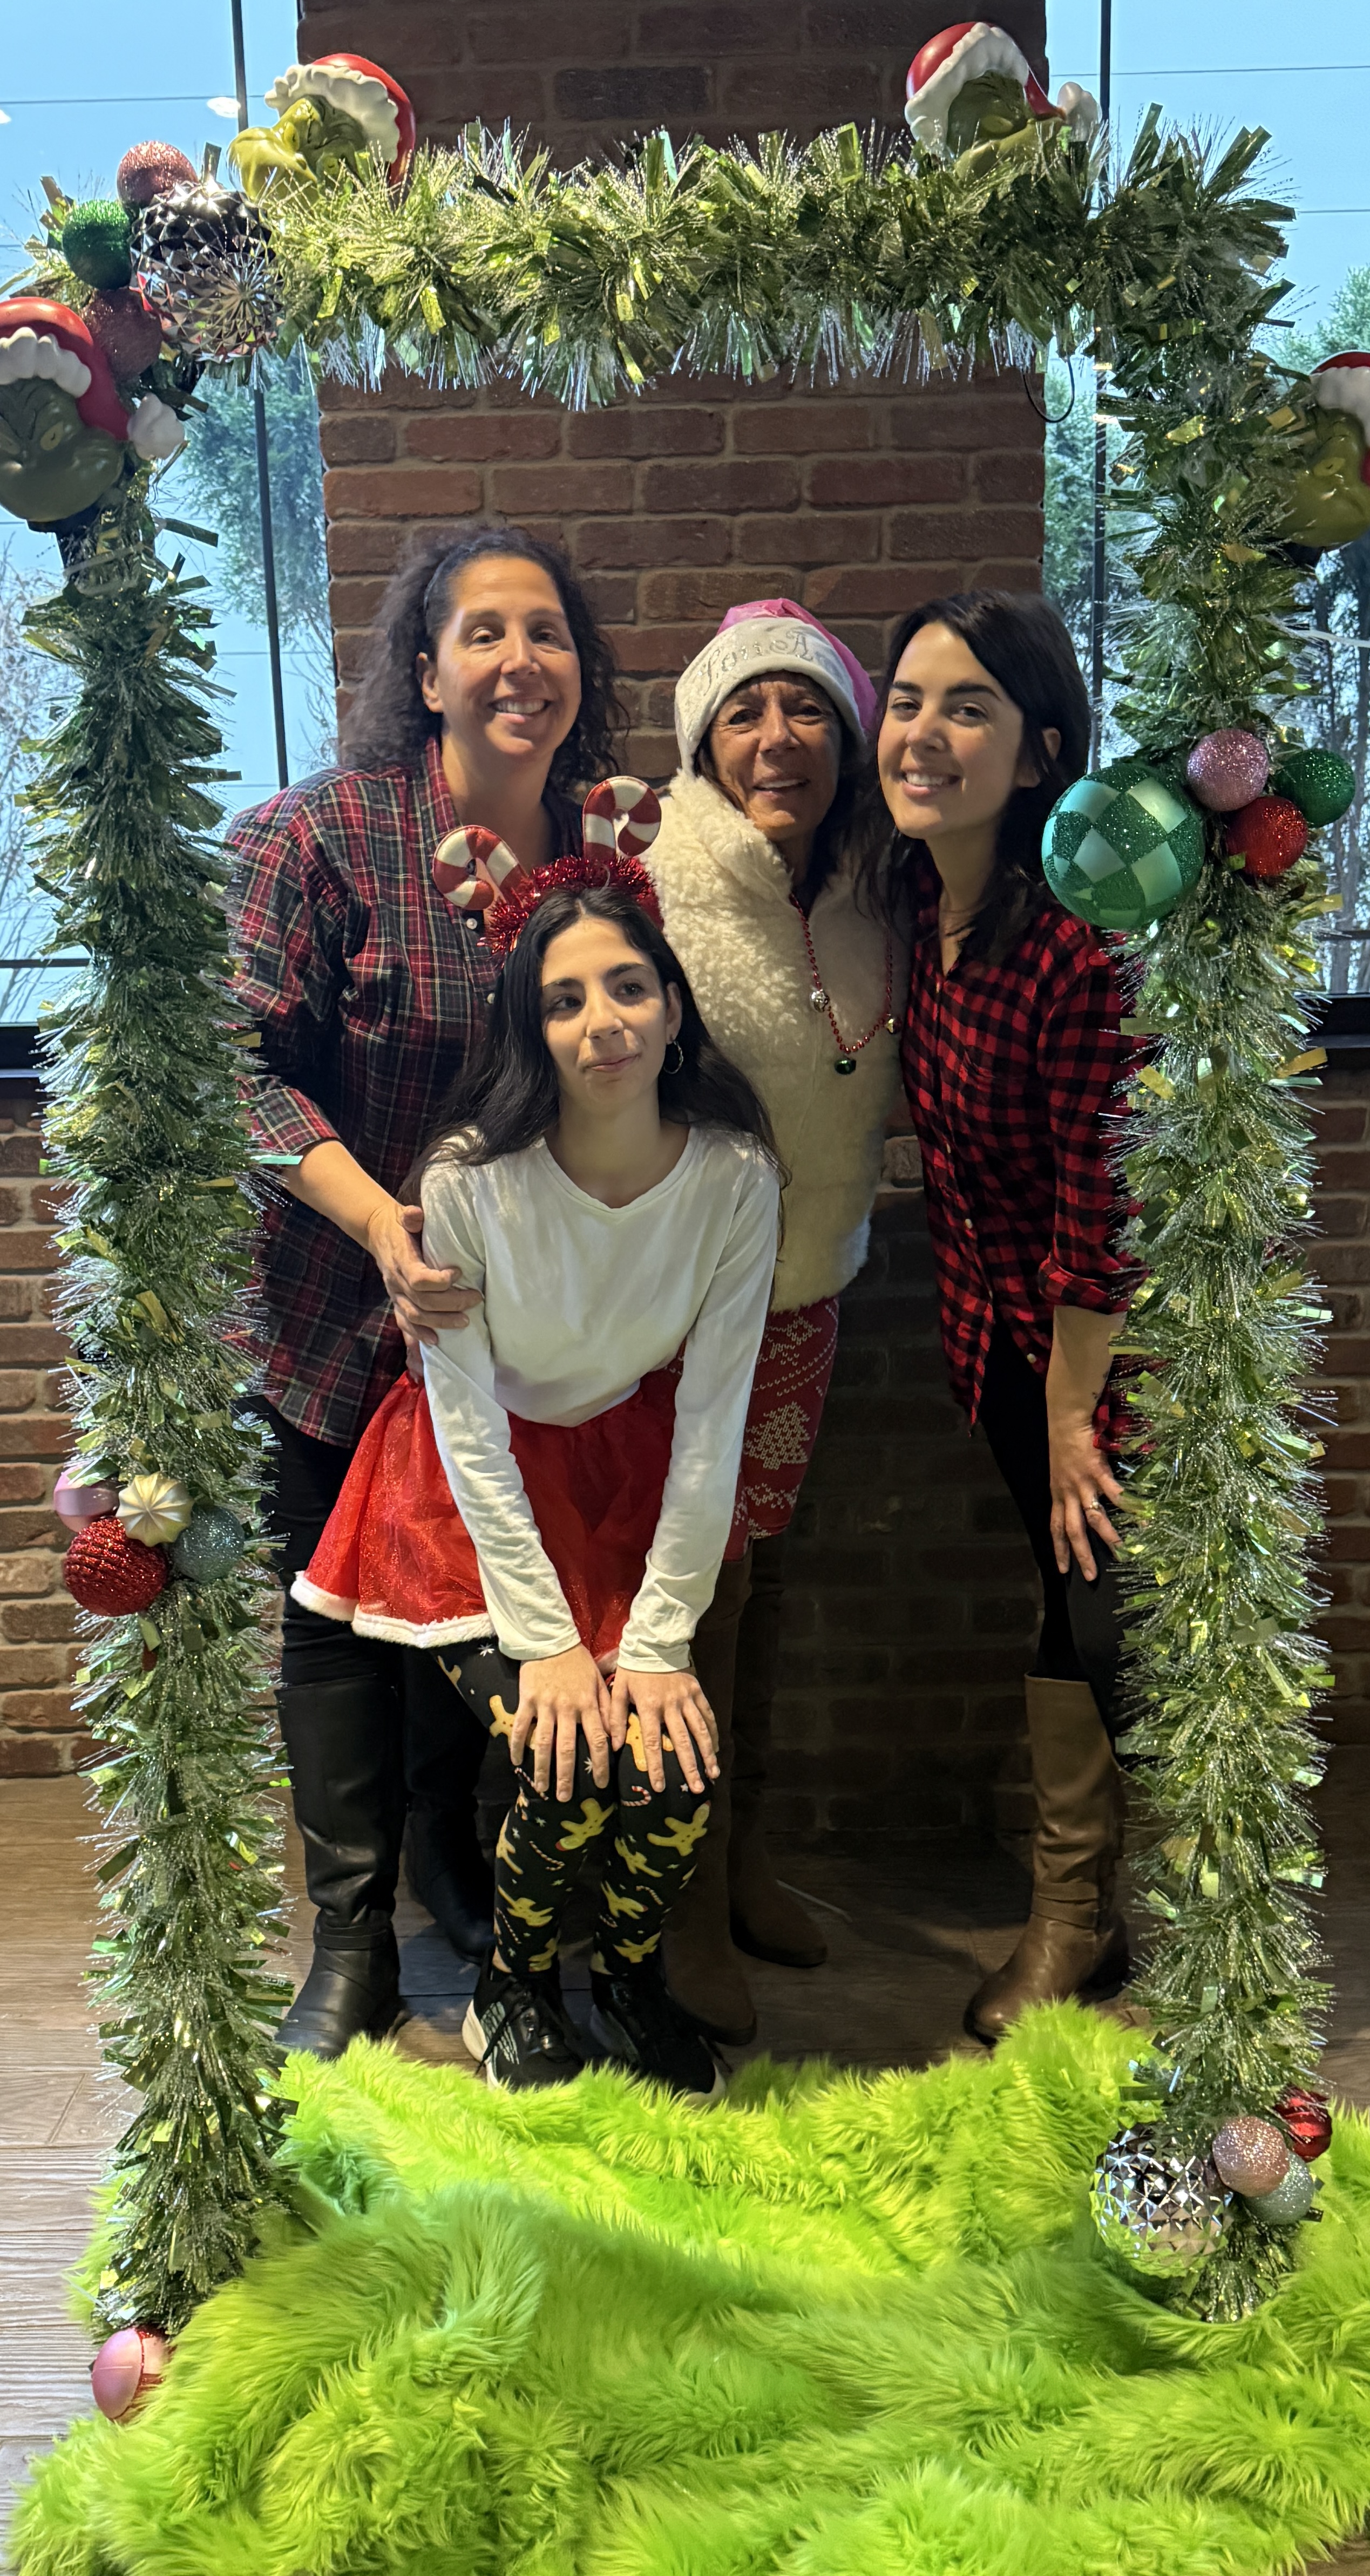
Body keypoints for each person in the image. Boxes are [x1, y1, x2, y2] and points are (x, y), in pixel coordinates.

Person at [293, 804, 781, 2101]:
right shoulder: (467, 1183)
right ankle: (513, 1985)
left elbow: (712, 1419)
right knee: (563, 1764)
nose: (602, 1022)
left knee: (671, 1772)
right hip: (469, 1492)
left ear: (673, 1007)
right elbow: (465, 1425)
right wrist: (551, 1644)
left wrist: (659, 1642)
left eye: (628, 987)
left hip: (623, 1479)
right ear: (530, 1028)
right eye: (564, 1001)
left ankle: (625, 1974)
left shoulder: (736, 1177)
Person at [227, 521, 623, 2059]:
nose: (522, 661)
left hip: (514, 1330)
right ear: (427, 669)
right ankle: (351, 1941)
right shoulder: (320, 837)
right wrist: (379, 1223)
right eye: (486, 633)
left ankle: (446, 1856)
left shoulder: (610, 851)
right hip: (337, 1312)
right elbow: (232, 1069)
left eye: (549, 632)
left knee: (471, 1602)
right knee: (334, 1615)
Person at [871, 590, 1140, 2045]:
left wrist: (1070, 1412)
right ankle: (1084, 1913)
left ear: (1040, 751)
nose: (923, 733)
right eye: (908, 700)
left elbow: (1107, 1204)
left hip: (1097, 1369)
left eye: (966, 707)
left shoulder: (1078, 946)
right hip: (996, 1349)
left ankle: (1089, 1923)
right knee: (1065, 1605)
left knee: (1109, 1631)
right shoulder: (926, 905)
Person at [644, 599, 911, 2048]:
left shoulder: (876, 890)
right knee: (697, 1597)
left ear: (848, 737)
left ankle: (743, 1858)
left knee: (767, 1584)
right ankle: (681, 1897)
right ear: (702, 740)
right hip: (673, 1315)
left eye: (805, 708)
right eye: (743, 712)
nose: (775, 737)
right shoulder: (653, 879)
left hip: (807, 1294)